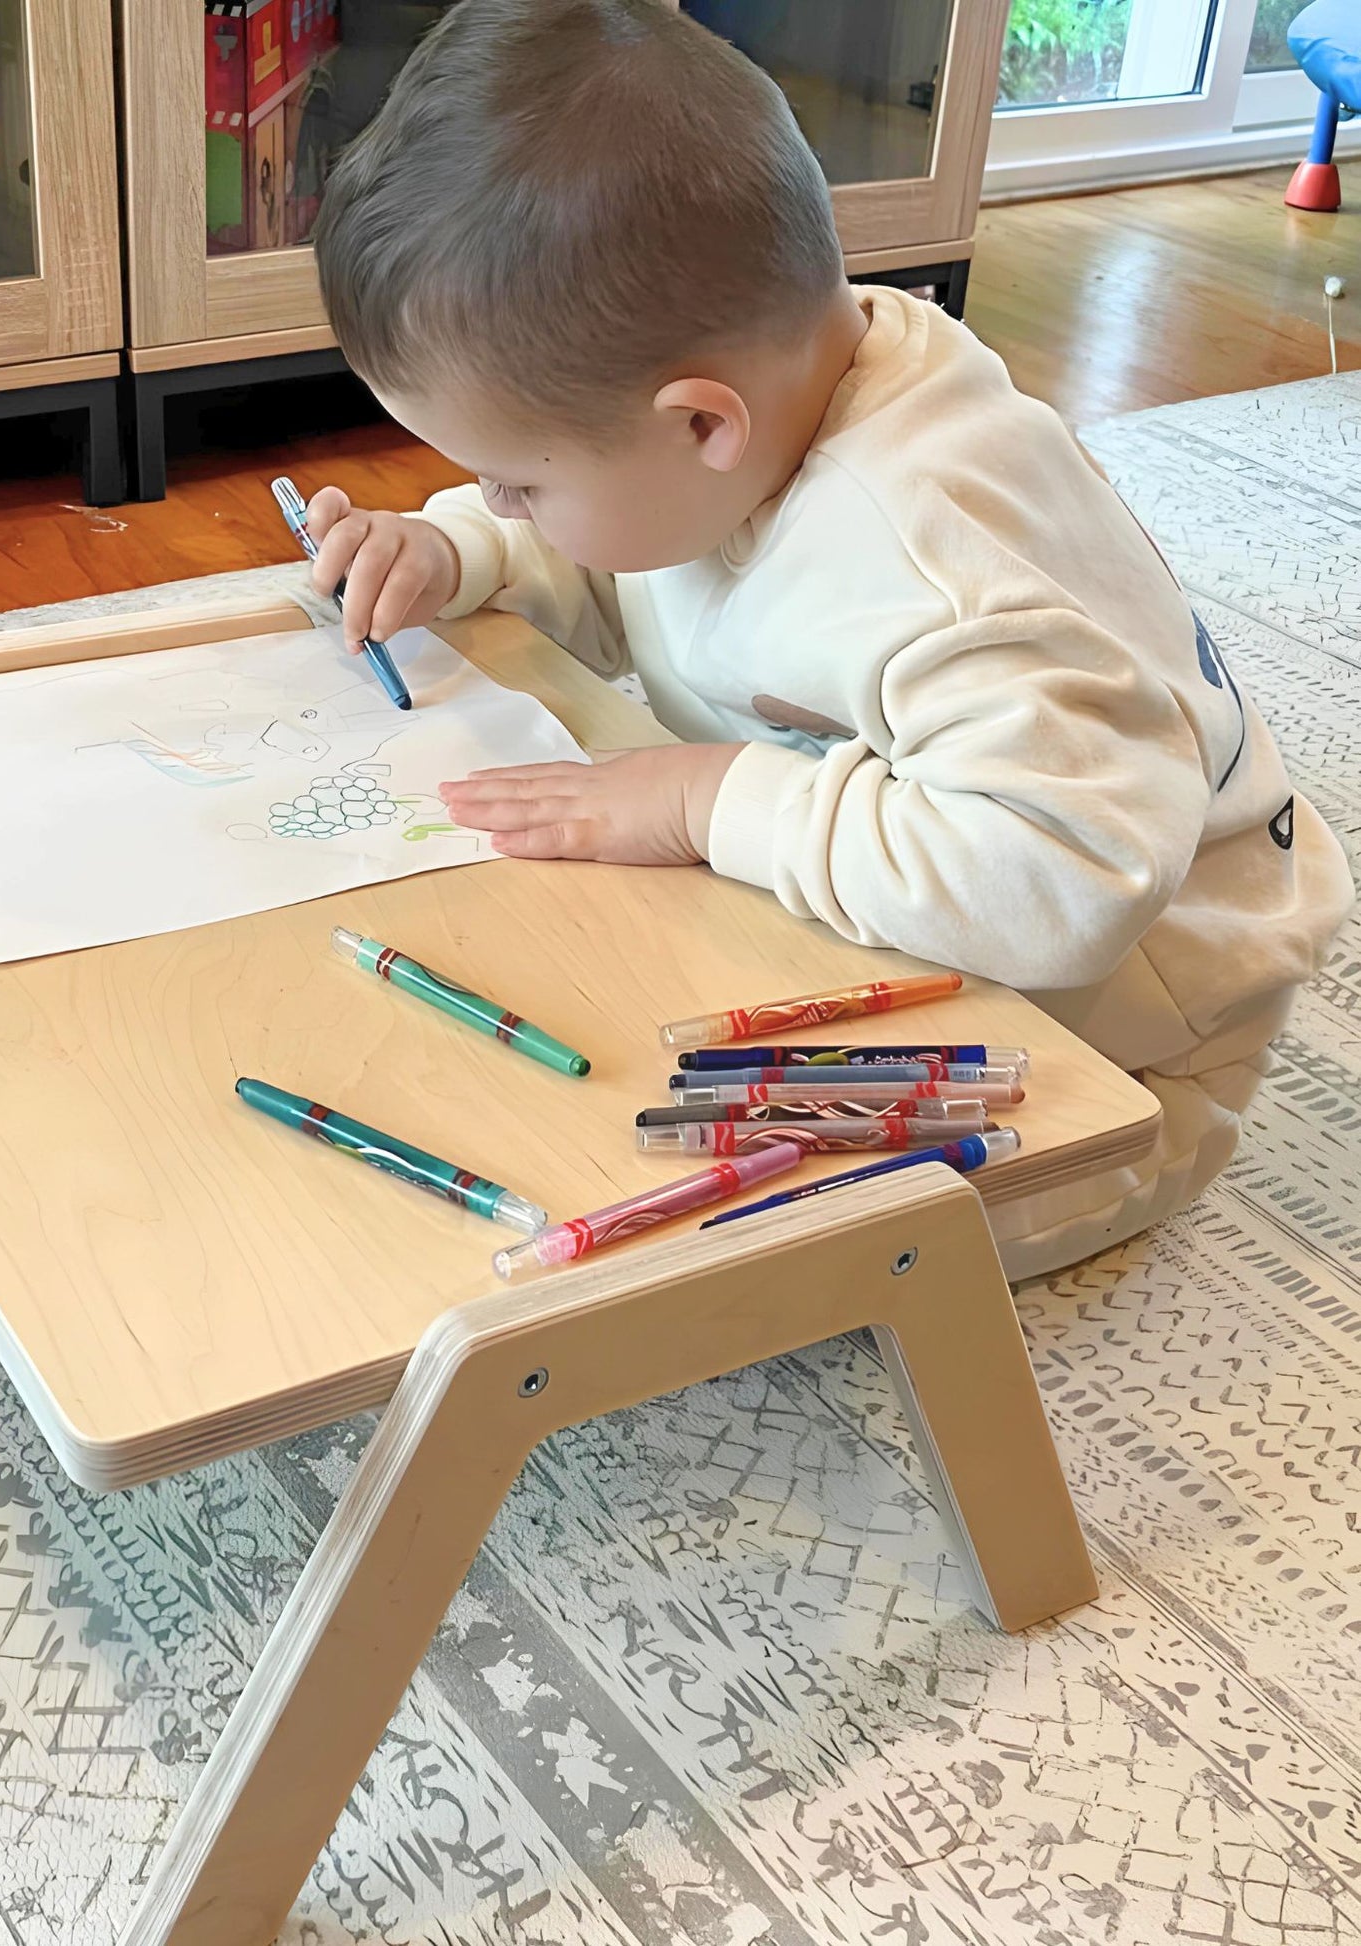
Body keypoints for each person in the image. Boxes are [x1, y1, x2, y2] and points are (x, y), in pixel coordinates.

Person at [301, 0, 1352, 1279]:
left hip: (1125, 1028)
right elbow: (632, 560)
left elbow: (1057, 877)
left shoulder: (928, 558)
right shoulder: (761, 397)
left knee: (705, 1227)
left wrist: (704, 798)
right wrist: (462, 549)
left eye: (513, 481)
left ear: (700, 425)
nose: (501, 501)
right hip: (944, 892)